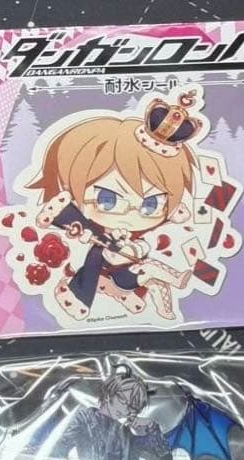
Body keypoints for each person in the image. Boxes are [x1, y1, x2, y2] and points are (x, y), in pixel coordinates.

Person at [25, 91, 204, 321]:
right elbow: (97, 249)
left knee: (156, 282)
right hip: (115, 273)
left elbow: (141, 246)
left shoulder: (139, 233)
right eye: (107, 198)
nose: (130, 214)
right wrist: (91, 238)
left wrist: (136, 248)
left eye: (151, 204)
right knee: (147, 269)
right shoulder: (90, 229)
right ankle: (173, 281)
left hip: (127, 273)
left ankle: (166, 311)